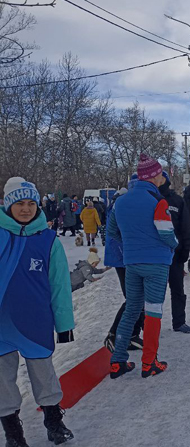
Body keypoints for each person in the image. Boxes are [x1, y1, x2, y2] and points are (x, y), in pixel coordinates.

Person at [0, 177, 75, 445]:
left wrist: (64, 324)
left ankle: (54, 423)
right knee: (2, 382)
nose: (26, 208)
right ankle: (14, 435)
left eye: (31, 203)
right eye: (19, 203)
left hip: (35, 323)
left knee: (44, 374)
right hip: (1, 326)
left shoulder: (48, 240)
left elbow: (59, 285)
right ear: (8, 205)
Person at [107, 153, 178, 379]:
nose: (162, 178)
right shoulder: (157, 201)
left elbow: (111, 232)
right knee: (153, 313)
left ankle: (118, 361)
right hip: (156, 263)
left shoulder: (120, 202)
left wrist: (131, 244)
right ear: (154, 176)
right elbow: (166, 234)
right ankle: (149, 362)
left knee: (132, 310)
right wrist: (173, 246)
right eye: (159, 174)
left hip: (132, 262)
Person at [103, 186, 145, 354]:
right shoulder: (121, 206)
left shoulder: (120, 204)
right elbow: (116, 235)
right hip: (124, 259)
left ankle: (131, 333)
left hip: (126, 257)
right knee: (133, 298)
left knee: (136, 298)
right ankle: (114, 335)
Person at [159, 171, 190, 333]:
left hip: (175, 254)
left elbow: (186, 227)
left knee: (178, 290)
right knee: (153, 293)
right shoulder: (150, 199)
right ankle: (147, 326)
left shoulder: (177, 201)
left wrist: (185, 250)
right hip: (155, 255)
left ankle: (179, 321)